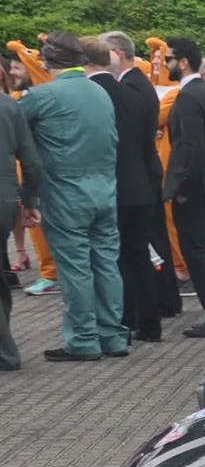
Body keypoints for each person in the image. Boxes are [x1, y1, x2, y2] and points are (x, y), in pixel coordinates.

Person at [17, 32, 126, 360]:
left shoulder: (42, 96)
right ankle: (114, 336)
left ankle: (82, 340)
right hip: (105, 189)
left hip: (65, 192)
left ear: (47, 60)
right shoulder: (100, 92)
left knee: (75, 266)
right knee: (107, 263)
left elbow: (14, 128)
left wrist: (29, 197)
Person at [96, 32, 179, 342]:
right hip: (143, 179)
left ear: (117, 53)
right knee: (140, 253)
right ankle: (149, 315)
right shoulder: (139, 85)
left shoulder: (128, 88)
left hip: (131, 183)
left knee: (132, 255)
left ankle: (141, 318)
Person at [163, 38, 205, 337]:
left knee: (195, 248)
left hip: (196, 187)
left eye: (168, 58)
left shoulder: (189, 97)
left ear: (183, 62)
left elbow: (187, 147)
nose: (165, 64)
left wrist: (176, 188)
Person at [6, 54, 54, 295]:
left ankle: (51, 273)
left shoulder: (37, 99)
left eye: (18, 68)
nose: (13, 73)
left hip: (36, 175)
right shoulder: (14, 100)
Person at [0, 77, 38, 371]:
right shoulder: (10, 105)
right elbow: (30, 160)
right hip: (6, 200)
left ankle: (6, 352)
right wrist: (31, 202)